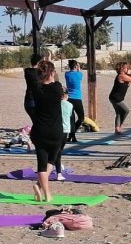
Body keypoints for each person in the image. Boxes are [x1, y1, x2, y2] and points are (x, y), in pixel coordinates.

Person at [28, 60, 66, 202]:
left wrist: (37, 66)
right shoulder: (57, 88)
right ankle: (44, 191)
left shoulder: (37, 89)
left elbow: (30, 74)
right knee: (53, 159)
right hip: (55, 131)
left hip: (39, 131)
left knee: (42, 164)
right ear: (52, 73)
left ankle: (43, 190)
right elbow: (56, 81)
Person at [109, 61, 131, 135]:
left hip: (116, 97)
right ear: (122, 69)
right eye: (126, 67)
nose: (127, 68)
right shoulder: (121, 76)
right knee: (126, 110)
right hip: (115, 98)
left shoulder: (124, 75)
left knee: (118, 113)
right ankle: (118, 127)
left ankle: (117, 129)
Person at [63, 60, 85, 143]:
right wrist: (79, 68)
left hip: (69, 98)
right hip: (77, 98)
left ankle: (71, 135)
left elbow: (73, 72)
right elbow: (80, 74)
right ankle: (72, 134)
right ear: (76, 66)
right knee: (81, 117)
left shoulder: (67, 74)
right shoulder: (79, 74)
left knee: (71, 118)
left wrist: (76, 67)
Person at [22, 54, 42, 121]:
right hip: (36, 100)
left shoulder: (27, 71)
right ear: (39, 62)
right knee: (38, 123)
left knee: (36, 122)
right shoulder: (40, 73)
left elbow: (25, 67)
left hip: (28, 99)